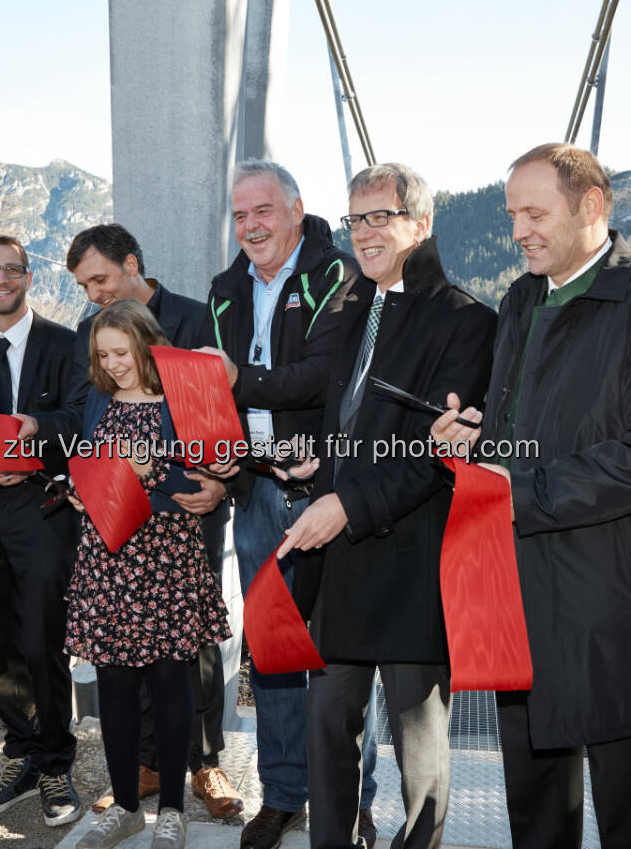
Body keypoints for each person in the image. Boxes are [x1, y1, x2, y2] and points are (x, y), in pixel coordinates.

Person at [432, 143, 631, 849]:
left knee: (629, 816)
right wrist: (473, 441)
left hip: (612, 601)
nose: (518, 230)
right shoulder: (522, 299)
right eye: (512, 215)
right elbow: (518, 432)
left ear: (592, 206)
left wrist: (519, 490)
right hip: (517, 596)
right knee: (533, 809)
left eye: (535, 212)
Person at [281, 164, 496, 849]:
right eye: (356, 218)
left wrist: (348, 501)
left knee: (419, 746)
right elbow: (344, 418)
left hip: (413, 557)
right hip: (339, 561)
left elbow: (440, 454)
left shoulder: (468, 321)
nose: (366, 232)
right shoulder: (352, 311)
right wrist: (316, 457)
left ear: (421, 224)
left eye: (382, 216)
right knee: (328, 727)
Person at [196, 159, 379, 849]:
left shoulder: (339, 276)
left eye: (263, 211)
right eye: (240, 215)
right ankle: (283, 794)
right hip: (257, 491)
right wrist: (218, 445)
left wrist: (240, 379)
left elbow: (327, 378)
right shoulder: (224, 288)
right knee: (271, 651)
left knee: (336, 655)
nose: (251, 226)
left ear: (296, 210)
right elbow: (215, 392)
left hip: (326, 492)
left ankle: (353, 800)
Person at [66, 224, 244, 819]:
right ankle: (136, 779)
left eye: (100, 278)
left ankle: (201, 767)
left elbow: (218, 450)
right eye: (104, 356)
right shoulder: (100, 390)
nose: (114, 364)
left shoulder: (193, 331)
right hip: (112, 552)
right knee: (119, 680)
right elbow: (90, 447)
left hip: (169, 546)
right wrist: (84, 485)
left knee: (183, 671)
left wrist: (167, 473)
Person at [0, 235, 84, 826]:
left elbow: (84, 417)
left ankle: (56, 763)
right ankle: (21, 753)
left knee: (42, 636)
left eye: (11, 270)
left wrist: (37, 427)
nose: (0, 280)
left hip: (45, 506)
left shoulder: (66, 343)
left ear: (28, 277)